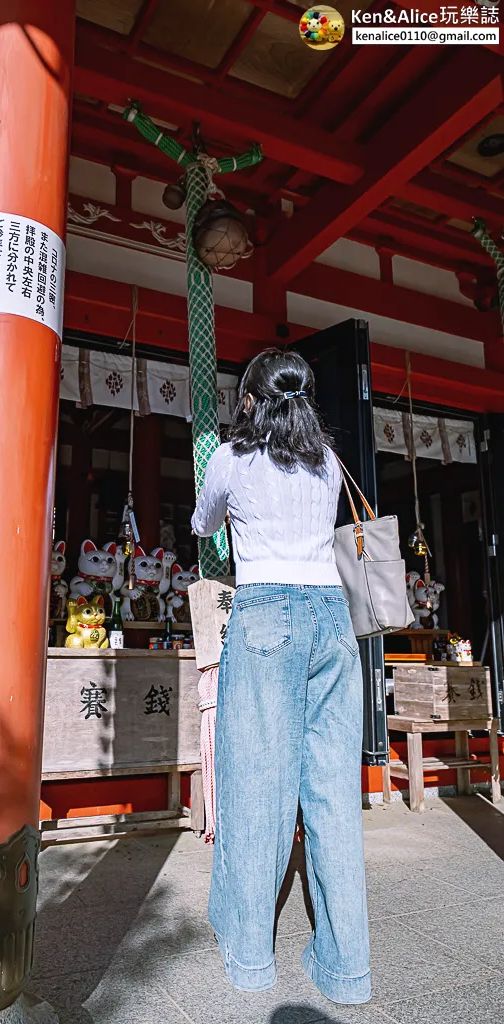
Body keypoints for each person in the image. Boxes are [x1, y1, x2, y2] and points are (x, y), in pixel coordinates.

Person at [191, 348, 371, 1004]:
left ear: (248, 400)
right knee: (329, 795)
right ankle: (346, 969)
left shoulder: (231, 458)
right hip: (331, 620)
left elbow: (201, 522)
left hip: (265, 612)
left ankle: (249, 958)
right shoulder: (328, 462)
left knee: (256, 791)